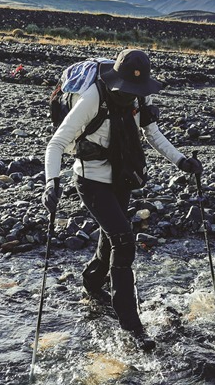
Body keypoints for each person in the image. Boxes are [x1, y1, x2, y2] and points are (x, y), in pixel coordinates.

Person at [42, 48, 202, 350]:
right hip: (90, 181)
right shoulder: (93, 97)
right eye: (127, 90)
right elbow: (57, 143)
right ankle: (132, 325)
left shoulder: (141, 95)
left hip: (122, 177)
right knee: (124, 240)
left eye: (136, 91)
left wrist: (182, 161)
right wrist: (51, 182)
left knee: (111, 236)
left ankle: (91, 283)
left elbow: (152, 133)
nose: (131, 95)